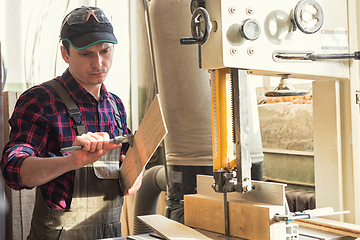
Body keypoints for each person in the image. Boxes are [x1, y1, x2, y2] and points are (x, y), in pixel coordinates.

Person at [1, 6, 141, 239]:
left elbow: (130, 159)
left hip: (111, 234)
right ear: (65, 54)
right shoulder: (40, 100)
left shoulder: (115, 106)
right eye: (86, 54)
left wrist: (137, 175)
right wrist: (70, 161)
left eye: (105, 51)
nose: (98, 63)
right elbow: (14, 170)